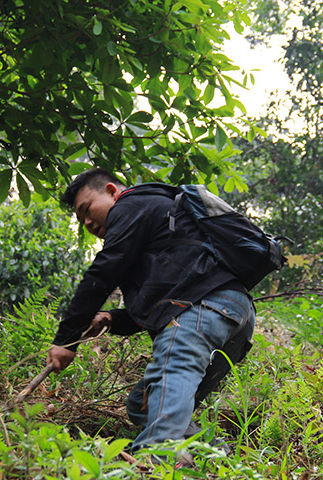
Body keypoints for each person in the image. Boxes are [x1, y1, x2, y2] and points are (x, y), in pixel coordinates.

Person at [46, 168, 256, 458]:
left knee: (169, 401)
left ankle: (159, 460)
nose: (86, 222)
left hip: (203, 308)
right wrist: (111, 318)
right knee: (141, 404)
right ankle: (214, 455)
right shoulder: (157, 219)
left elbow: (103, 273)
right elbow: (164, 298)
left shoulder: (131, 204)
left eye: (86, 209)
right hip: (233, 314)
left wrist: (66, 339)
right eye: (80, 219)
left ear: (111, 190)